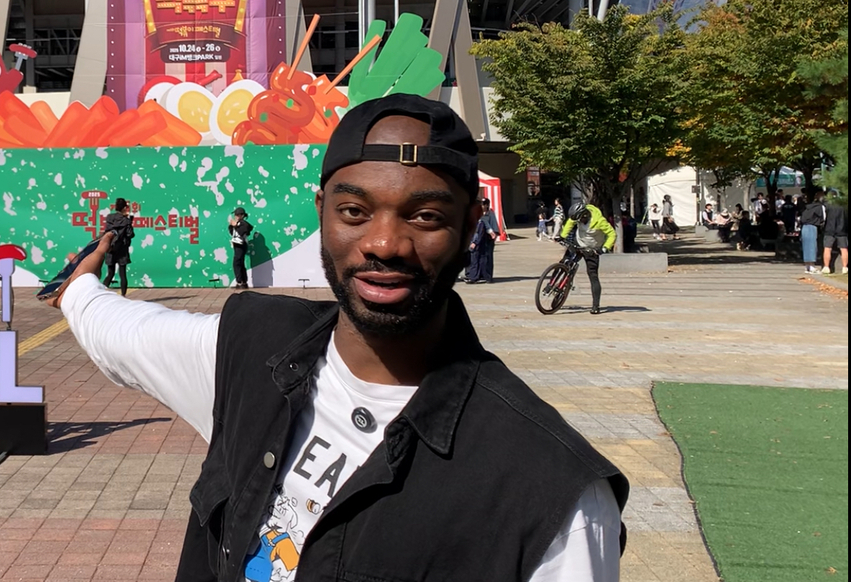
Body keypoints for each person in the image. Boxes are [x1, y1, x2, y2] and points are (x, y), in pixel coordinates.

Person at [48, 95, 626, 580]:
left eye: (425, 216)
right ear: (322, 211)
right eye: (354, 211)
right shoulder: (249, 353)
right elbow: (117, 331)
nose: (384, 243)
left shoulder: (553, 493)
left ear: (471, 225)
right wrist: (79, 287)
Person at [559, 201, 617, 315]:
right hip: (578, 243)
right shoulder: (578, 215)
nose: (579, 222)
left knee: (593, 276)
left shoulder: (599, 221)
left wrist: (604, 248)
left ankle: (596, 306)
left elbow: (612, 234)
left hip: (592, 250)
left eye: (580, 220)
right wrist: (562, 236)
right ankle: (554, 283)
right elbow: (570, 222)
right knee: (564, 262)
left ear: (585, 215)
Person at [102, 198, 134, 296]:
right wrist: (130, 223)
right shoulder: (126, 220)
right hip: (122, 249)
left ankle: (101, 293)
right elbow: (130, 234)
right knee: (122, 274)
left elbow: (107, 230)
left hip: (111, 248)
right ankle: (123, 296)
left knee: (110, 274)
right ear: (124, 208)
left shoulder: (109, 217)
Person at [465, 197, 497, 283]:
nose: (482, 206)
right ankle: (475, 275)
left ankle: (487, 276)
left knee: (487, 258)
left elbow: (492, 225)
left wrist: (493, 233)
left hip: (487, 238)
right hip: (478, 237)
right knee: (477, 257)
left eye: (483, 205)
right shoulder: (477, 213)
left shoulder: (490, 214)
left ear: (487, 205)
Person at [800, 192, 827, 274]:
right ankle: (812, 266)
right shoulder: (820, 207)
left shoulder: (808, 207)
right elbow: (823, 218)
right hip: (812, 226)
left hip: (804, 227)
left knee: (806, 246)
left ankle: (807, 266)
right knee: (812, 246)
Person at [228, 207, 254, 288]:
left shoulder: (244, 224)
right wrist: (231, 226)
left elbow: (242, 232)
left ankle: (240, 282)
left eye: (237, 215)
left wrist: (235, 226)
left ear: (242, 215)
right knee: (240, 263)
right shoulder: (238, 223)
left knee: (237, 262)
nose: (235, 216)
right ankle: (243, 282)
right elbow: (232, 232)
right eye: (235, 215)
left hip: (241, 244)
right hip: (236, 244)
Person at [822, 196, 848, 275]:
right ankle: (845, 267)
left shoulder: (827, 205)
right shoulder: (844, 206)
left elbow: (824, 218)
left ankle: (826, 267)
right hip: (842, 229)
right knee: (844, 249)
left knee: (827, 248)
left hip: (829, 229)